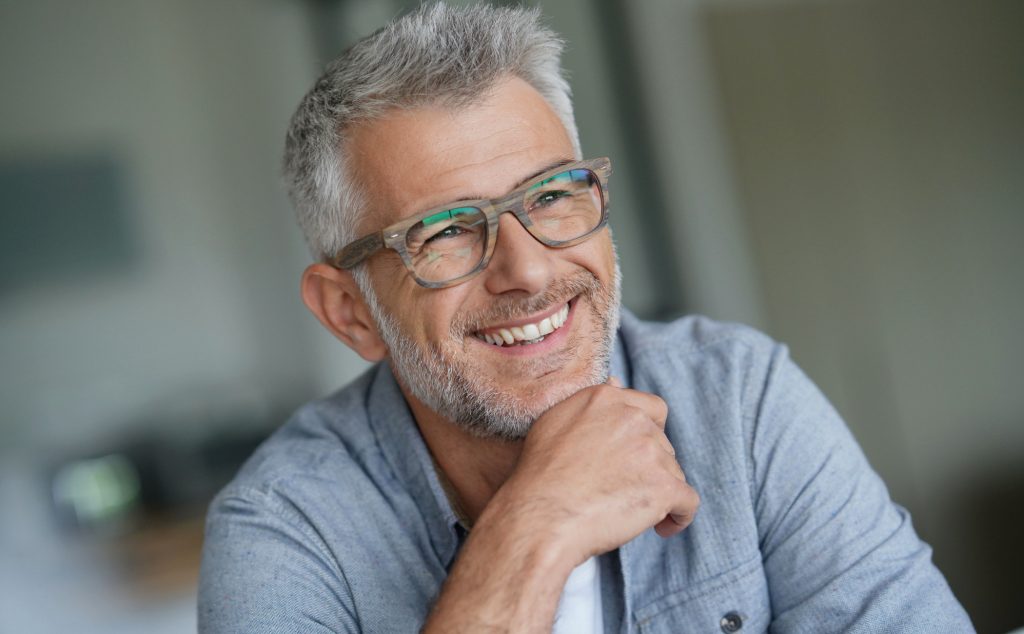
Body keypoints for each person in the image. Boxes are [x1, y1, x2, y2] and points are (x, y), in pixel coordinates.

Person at [197, 3, 972, 632]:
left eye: (550, 195)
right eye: (444, 232)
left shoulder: (739, 397)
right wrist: (533, 528)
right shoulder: (283, 530)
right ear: (349, 312)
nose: (530, 269)